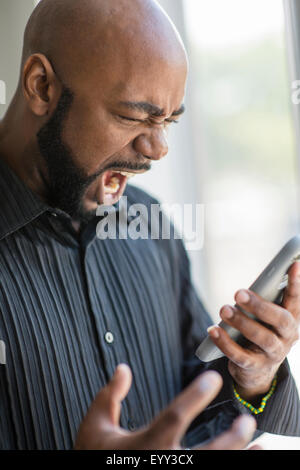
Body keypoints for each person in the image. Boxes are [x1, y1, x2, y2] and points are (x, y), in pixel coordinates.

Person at [0, 0, 299, 451]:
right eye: (135, 115)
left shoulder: (150, 226)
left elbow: (196, 403)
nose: (158, 149)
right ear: (41, 86)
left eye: (169, 121)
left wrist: (252, 378)